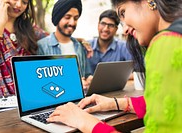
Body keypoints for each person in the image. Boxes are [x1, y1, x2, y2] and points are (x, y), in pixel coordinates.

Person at [47, 0, 182, 132]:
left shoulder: (166, 44)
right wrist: (116, 103)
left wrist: (85, 122)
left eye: (123, 12)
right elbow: (164, 104)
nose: (125, 30)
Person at [0, 0, 38, 97]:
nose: (19, 5)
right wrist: (1, 22)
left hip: (20, 98)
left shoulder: (28, 29)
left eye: (24, 2)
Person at [37, 0, 92, 88]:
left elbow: (86, 73)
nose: (72, 23)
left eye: (76, 18)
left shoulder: (80, 46)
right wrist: (74, 84)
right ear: (57, 18)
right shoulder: (42, 46)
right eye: (67, 17)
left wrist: (89, 79)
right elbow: (41, 82)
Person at [87, 9, 132, 74]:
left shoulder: (124, 47)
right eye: (103, 24)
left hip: (116, 84)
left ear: (116, 29)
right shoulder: (86, 46)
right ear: (98, 25)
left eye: (111, 25)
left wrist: (117, 77)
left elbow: (138, 71)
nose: (105, 29)